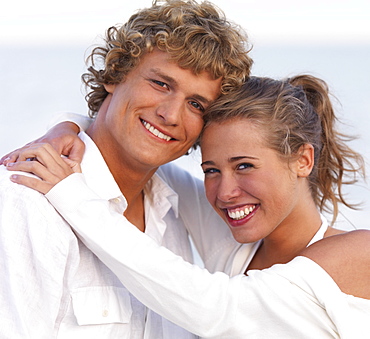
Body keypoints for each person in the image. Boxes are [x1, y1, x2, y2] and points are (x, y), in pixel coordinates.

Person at [7, 75, 370, 338]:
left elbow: (216, 309)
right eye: (211, 170)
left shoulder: (356, 254)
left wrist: (70, 193)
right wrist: (67, 129)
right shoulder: (236, 242)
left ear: (303, 160)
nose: (225, 192)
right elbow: (132, 157)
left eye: (245, 165)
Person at [0, 1, 253, 337]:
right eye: (161, 84)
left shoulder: (174, 211)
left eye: (196, 104)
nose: (171, 114)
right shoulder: (27, 199)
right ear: (114, 75)